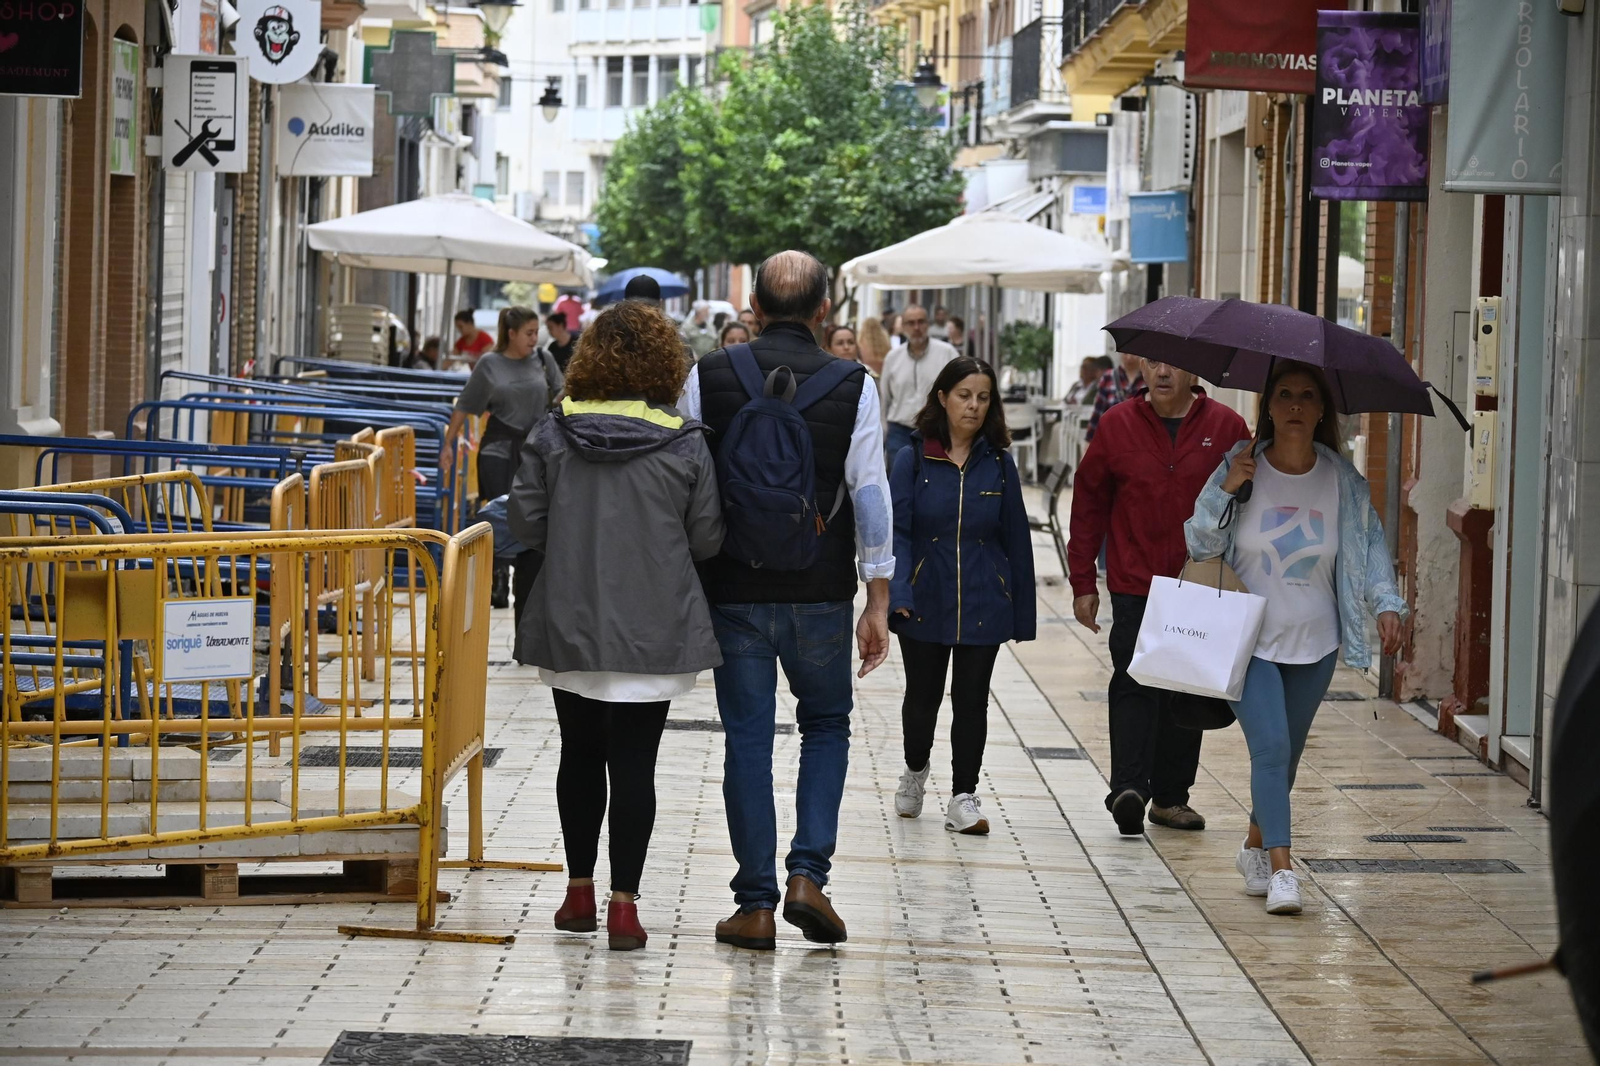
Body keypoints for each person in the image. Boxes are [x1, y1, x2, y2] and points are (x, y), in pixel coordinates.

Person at [680, 250, 894, 951]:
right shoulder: (854, 384)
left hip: (733, 587)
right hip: (820, 590)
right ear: (824, 312)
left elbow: (684, 478)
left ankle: (755, 903)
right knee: (826, 725)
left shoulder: (706, 376)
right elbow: (869, 491)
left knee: (746, 738)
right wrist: (878, 595)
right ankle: (809, 875)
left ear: (756, 309)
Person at [508, 300, 724, 951]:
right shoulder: (683, 439)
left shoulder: (554, 431)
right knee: (635, 764)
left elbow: (524, 523)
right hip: (654, 628)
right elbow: (708, 536)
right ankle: (624, 906)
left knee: (578, 753)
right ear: (665, 363)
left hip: (570, 619)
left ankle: (577, 892)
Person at [1186, 361, 1404, 916]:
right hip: (1247, 635)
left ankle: (1254, 846)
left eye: (1308, 396)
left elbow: (1371, 545)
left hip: (1317, 640)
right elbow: (1199, 540)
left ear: (1322, 408)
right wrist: (1228, 488)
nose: (1296, 405)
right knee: (1272, 747)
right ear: (1269, 405)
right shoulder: (1240, 466)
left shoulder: (1343, 481)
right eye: (1285, 395)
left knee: (1288, 756)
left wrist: (1386, 602)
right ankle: (1284, 870)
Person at [1066, 357, 1252, 838]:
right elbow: (1088, 503)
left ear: (1196, 372)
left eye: (1174, 363)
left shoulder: (1227, 427)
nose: (1163, 372)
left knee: (1187, 689)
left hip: (1198, 580)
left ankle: (1171, 798)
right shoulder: (1117, 424)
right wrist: (1082, 581)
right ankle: (1128, 787)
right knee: (1133, 682)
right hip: (1134, 582)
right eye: (1152, 362)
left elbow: (1250, 502)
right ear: (1139, 367)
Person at [889, 357, 1036, 835]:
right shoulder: (913, 457)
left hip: (983, 600)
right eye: (964, 395)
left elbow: (1016, 539)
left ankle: (963, 795)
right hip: (925, 597)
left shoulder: (999, 463)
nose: (973, 406)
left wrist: (1022, 612)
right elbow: (898, 532)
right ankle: (914, 771)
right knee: (923, 697)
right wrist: (898, 592)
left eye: (983, 397)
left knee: (972, 699)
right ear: (942, 398)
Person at [445, 306, 564, 617]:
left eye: (537, 332)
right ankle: (496, 580)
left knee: (533, 515)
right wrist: (448, 444)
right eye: (528, 333)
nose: (534, 338)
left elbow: (564, 391)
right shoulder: (490, 364)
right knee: (500, 513)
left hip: (536, 449)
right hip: (499, 447)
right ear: (510, 334)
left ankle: (524, 590)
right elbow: (466, 404)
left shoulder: (543, 359)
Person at [880, 304, 960, 466]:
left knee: (935, 484)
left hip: (937, 430)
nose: (917, 327)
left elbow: (959, 390)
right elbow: (884, 398)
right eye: (911, 323)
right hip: (899, 431)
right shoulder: (893, 358)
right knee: (900, 484)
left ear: (928, 324)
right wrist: (883, 432)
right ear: (903, 327)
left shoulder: (947, 353)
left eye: (921, 322)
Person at [1085, 351, 1143, 442]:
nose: (1129, 357)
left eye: (1133, 354)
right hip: (1113, 439)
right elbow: (1098, 411)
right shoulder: (1109, 376)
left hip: (1140, 440)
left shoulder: (1148, 379)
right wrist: (1089, 441)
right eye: (1125, 353)